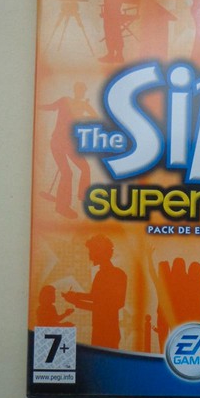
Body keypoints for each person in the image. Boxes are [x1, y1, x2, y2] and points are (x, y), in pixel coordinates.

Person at [40, 82, 97, 219]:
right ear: (75, 90)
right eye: (79, 90)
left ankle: (83, 196)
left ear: (83, 92)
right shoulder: (65, 100)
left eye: (82, 90)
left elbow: (96, 117)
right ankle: (62, 206)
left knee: (85, 168)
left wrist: (84, 114)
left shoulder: (83, 105)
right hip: (57, 142)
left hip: (69, 144)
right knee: (67, 173)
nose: (80, 92)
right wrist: (36, 106)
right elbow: (51, 107)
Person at [62, 235, 127, 349]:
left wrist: (76, 301)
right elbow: (95, 298)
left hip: (108, 330)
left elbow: (111, 304)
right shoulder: (101, 274)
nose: (90, 256)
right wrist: (76, 296)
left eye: (92, 251)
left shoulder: (118, 274)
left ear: (100, 253)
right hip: (99, 328)